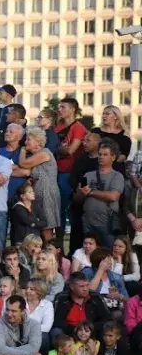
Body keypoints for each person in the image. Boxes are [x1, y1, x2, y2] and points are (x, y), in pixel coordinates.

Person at [74, 139, 124, 249]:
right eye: (100, 154)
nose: (101, 157)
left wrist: (91, 192)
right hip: (88, 222)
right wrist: (82, 193)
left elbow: (113, 196)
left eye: (105, 154)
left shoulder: (117, 176)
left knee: (109, 252)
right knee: (89, 255)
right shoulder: (87, 175)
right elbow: (77, 199)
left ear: (113, 157)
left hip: (107, 223)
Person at [55, 97, 88, 235]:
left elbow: (70, 151)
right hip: (56, 171)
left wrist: (58, 150)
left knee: (69, 209)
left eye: (63, 107)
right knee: (58, 209)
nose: (59, 109)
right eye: (59, 107)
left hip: (70, 173)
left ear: (72, 109)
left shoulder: (79, 128)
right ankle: (58, 243)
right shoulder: (58, 127)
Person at [51, 272, 111, 341]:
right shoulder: (61, 298)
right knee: (56, 331)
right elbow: (57, 321)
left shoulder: (95, 297)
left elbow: (107, 318)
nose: (85, 289)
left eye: (87, 285)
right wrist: (75, 329)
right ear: (72, 286)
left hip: (91, 332)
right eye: (81, 286)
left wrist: (90, 328)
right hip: (68, 333)